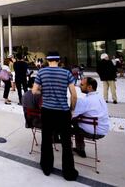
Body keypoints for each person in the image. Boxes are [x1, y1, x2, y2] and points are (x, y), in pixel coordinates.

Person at [32, 51, 79, 181]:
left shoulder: (41, 72)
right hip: (63, 112)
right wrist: (71, 109)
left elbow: (34, 91)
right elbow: (74, 95)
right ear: (58, 60)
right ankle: (68, 172)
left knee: (47, 140)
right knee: (66, 143)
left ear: (47, 60)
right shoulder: (66, 73)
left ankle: (47, 168)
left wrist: (44, 89)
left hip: (47, 111)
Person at [72, 77, 109, 158]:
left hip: (93, 132)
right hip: (103, 130)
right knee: (76, 123)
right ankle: (80, 149)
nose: (79, 86)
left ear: (89, 87)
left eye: (81, 85)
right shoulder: (100, 97)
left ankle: (69, 149)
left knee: (65, 126)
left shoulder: (86, 101)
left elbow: (72, 115)